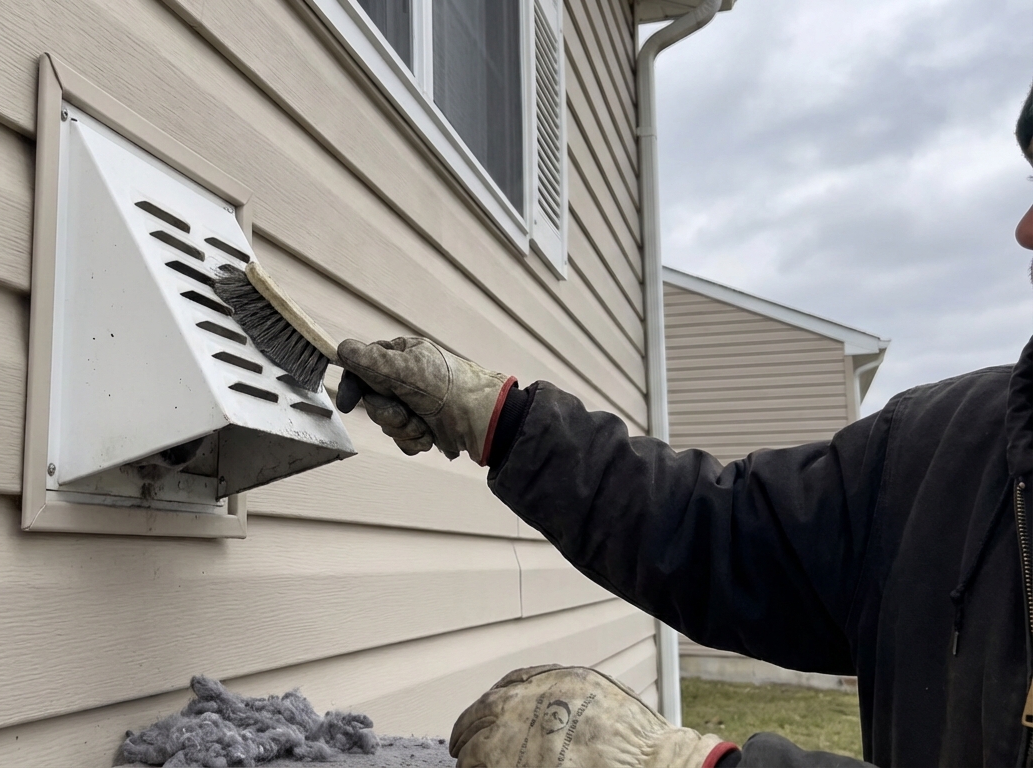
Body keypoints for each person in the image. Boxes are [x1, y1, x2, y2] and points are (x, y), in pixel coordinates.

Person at [333, 82, 1033, 767]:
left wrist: (674, 761)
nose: (1024, 230)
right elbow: (721, 532)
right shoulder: (949, 446)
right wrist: (500, 418)